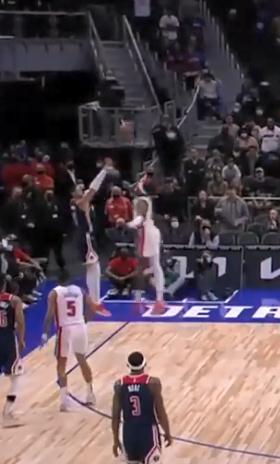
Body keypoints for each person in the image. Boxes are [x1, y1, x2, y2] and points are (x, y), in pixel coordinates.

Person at [41, 271, 105, 410]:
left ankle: (64, 401)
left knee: (61, 364)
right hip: (80, 327)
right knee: (82, 359)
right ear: (70, 279)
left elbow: (50, 314)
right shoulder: (80, 290)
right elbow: (93, 307)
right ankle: (90, 394)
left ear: (58, 280)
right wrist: (86, 319)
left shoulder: (54, 293)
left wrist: (45, 332)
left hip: (65, 329)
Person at [111, 351, 172, 463]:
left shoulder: (119, 385)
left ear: (128, 366)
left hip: (129, 433)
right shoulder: (153, 383)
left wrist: (115, 439)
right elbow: (160, 413)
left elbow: (115, 416)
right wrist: (167, 432)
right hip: (148, 432)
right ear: (145, 364)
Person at [72, 164, 112, 307]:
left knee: (93, 267)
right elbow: (93, 189)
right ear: (74, 194)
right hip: (85, 236)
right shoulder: (81, 202)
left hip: (86, 235)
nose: (82, 189)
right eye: (79, 188)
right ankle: (94, 301)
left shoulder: (82, 203)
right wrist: (104, 171)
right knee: (94, 267)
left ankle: (95, 300)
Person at [128, 197, 166, 314]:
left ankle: (158, 300)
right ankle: (141, 299)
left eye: (142, 205)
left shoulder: (143, 218)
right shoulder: (138, 215)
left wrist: (124, 223)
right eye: (139, 205)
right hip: (144, 236)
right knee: (144, 268)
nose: (140, 207)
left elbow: (134, 223)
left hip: (150, 235)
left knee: (154, 266)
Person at [0, 279, 25, 427]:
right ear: (4, 285)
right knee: (15, 378)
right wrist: (21, 340)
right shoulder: (14, 300)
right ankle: (7, 412)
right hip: (7, 339)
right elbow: (20, 323)